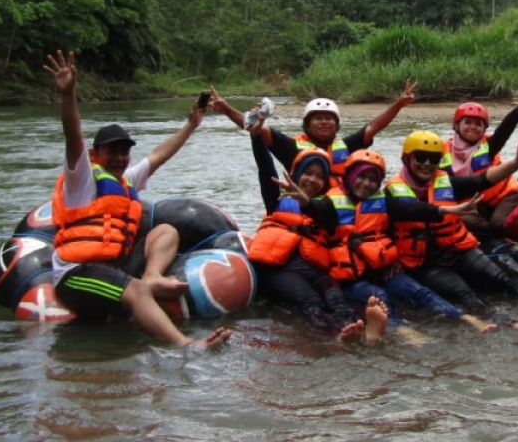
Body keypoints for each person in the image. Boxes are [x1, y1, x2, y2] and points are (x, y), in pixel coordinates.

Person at [42, 50, 231, 349]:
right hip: (77, 273)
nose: (119, 158)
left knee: (166, 230)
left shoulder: (125, 180)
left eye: (124, 152)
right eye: (111, 152)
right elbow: (72, 136)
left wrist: (192, 125)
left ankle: (153, 275)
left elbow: (159, 155)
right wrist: (69, 95)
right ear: (95, 155)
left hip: (115, 264)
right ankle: (185, 345)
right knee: (138, 292)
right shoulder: (82, 180)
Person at [386, 130, 518, 330]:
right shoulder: (391, 192)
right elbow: (404, 211)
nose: (427, 164)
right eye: (420, 157)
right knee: (466, 295)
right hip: (428, 264)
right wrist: (392, 257)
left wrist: (516, 162)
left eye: (434, 158)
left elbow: (482, 180)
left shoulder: (445, 181)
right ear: (406, 158)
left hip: (459, 250)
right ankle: (509, 324)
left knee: (508, 281)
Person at [326, 148, 498, 336]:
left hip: (383, 271)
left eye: (373, 180)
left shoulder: (383, 202)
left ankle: (465, 318)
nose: (366, 184)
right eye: (362, 177)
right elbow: (310, 212)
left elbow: (414, 209)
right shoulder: (328, 205)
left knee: (419, 291)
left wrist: (449, 210)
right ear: (350, 175)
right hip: (352, 280)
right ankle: (403, 331)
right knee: (379, 297)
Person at [245, 137, 380, 343]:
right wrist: (256, 137)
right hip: (278, 270)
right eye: (308, 173)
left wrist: (305, 201)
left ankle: (360, 330)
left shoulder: (326, 206)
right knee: (311, 301)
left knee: (336, 299)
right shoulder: (277, 200)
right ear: (297, 175)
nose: (312, 180)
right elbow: (265, 169)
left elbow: (326, 215)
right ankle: (336, 337)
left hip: (313, 269)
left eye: (319, 177)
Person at [209, 80, 418, 181]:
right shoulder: (291, 147)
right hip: (304, 207)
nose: (324, 122)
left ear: (336, 125)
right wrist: (227, 109)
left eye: (329, 119)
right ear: (307, 125)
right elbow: (254, 127)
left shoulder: (345, 146)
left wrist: (398, 104)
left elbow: (374, 127)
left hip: (337, 209)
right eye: (318, 118)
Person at [442, 72, 518, 242]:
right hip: (476, 203)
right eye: (467, 122)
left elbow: (507, 126)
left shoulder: (489, 145)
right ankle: (492, 237)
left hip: (504, 196)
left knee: (498, 224)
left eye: (478, 124)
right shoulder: (442, 150)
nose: (473, 127)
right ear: (456, 125)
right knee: (460, 218)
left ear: (484, 129)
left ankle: (507, 236)